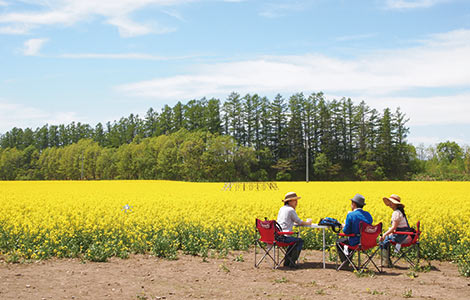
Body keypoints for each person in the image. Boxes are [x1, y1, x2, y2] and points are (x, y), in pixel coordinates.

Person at [276, 192, 312, 267]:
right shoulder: (290, 210)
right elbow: (299, 222)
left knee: (293, 241)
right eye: (294, 200)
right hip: (284, 237)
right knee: (299, 241)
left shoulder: (282, 209)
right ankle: (292, 262)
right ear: (289, 201)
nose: (296, 202)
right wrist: (308, 223)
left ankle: (287, 261)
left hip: (277, 236)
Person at [336, 193, 373, 265]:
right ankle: (348, 261)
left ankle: (346, 262)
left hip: (356, 242)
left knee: (339, 241)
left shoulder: (351, 215)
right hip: (368, 242)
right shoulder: (368, 214)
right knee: (350, 240)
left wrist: (344, 226)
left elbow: (346, 232)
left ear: (354, 204)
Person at [379, 194, 411, 266]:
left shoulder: (396, 213)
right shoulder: (400, 212)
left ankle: (386, 262)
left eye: (391, 202)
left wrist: (384, 235)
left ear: (396, 204)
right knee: (385, 239)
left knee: (383, 241)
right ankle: (387, 261)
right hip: (403, 234)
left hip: (401, 236)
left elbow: (394, 227)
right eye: (389, 202)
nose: (390, 204)